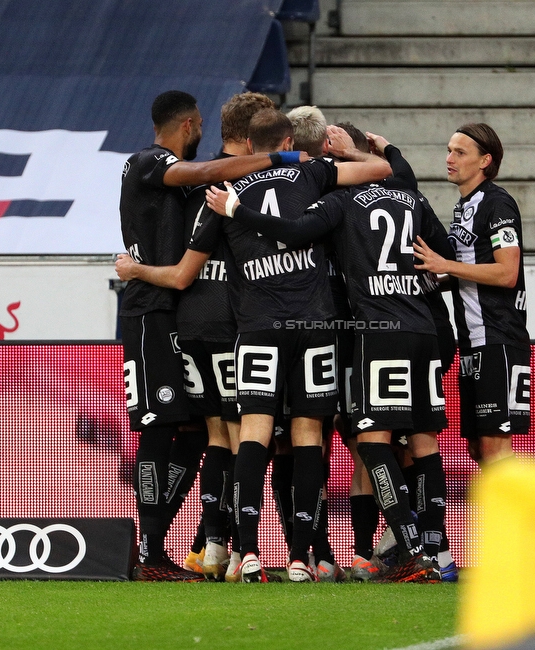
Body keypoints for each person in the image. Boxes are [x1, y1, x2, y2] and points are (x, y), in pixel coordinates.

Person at [118, 108, 391, 583]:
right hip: (304, 323)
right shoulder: (309, 173)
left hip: (234, 327)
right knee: (303, 436)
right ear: (283, 140)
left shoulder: (218, 193)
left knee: (235, 435)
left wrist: (135, 269)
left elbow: (185, 271)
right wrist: (333, 154)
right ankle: (306, 555)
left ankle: (231, 550)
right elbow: (381, 172)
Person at [206, 125, 454, 582]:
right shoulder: (410, 197)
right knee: (420, 443)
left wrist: (237, 208)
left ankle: (253, 551)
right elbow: (447, 258)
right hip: (422, 328)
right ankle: (430, 553)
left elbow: (297, 231)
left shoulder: (338, 201)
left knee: (364, 443)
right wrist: (377, 147)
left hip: (366, 331)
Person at [118, 90, 305, 581]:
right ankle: (156, 549)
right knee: (167, 427)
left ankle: (199, 541)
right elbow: (202, 176)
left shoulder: (198, 184)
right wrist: (286, 156)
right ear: (190, 123)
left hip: (181, 317)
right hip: (157, 312)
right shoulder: (150, 162)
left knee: (197, 431)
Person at [413, 123, 531, 466]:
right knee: (479, 449)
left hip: (498, 337)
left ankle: (519, 519)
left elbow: (507, 273)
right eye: (449, 150)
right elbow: (473, 271)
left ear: (485, 161)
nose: (449, 159)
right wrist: (435, 280)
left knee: (495, 449)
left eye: (460, 152)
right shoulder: (464, 207)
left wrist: (445, 263)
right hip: (472, 342)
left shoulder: (498, 205)